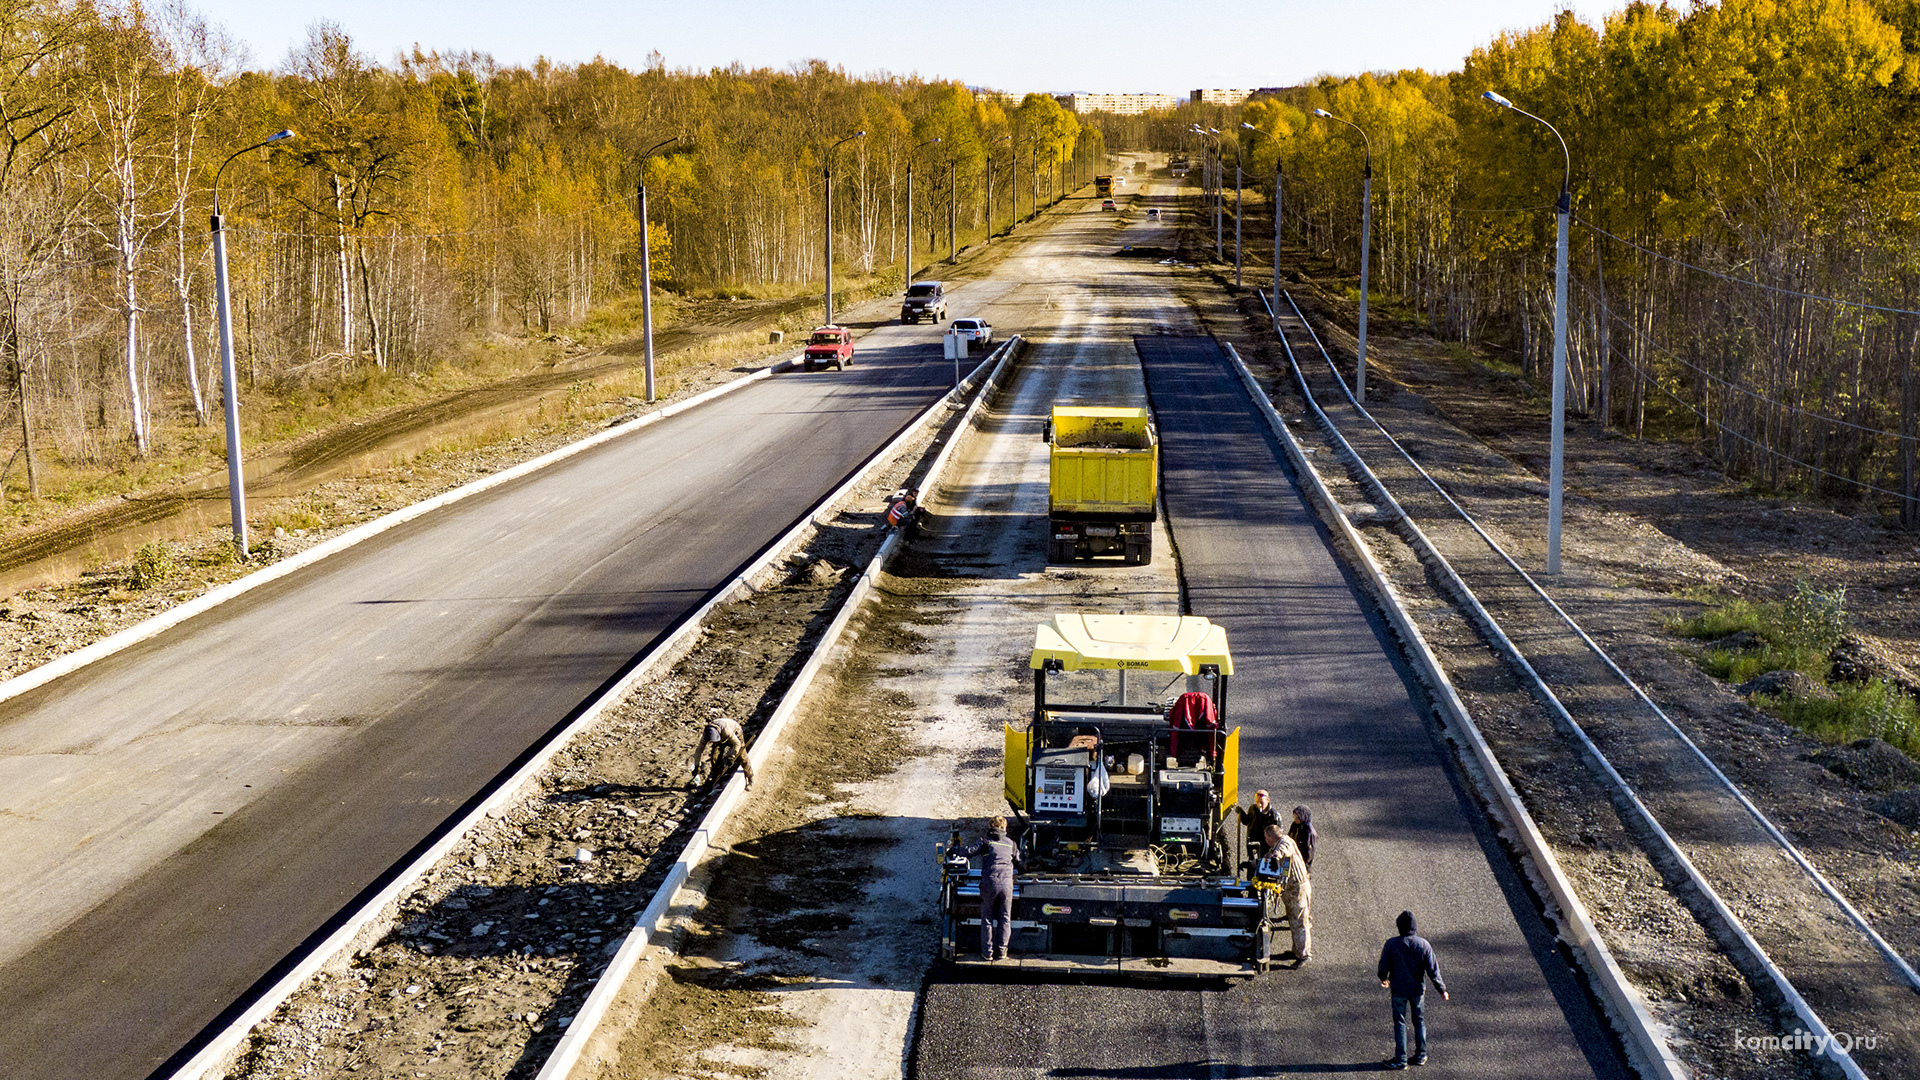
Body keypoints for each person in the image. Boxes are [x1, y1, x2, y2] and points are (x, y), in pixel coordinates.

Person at [1377, 910, 1448, 1069]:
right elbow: (1433, 970)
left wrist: (1384, 978)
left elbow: (1383, 967)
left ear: (1399, 926)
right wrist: (1442, 990)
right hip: (1417, 990)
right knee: (1419, 1021)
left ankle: (1400, 1060)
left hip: (1399, 990)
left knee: (1400, 1023)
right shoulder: (1423, 945)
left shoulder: (1391, 944)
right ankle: (1421, 1055)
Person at [958, 815, 1023, 960]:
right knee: (1005, 918)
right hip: (1007, 885)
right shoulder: (1011, 844)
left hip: (989, 884)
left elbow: (969, 852)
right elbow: (1020, 864)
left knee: (987, 918)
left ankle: (987, 953)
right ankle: (1002, 951)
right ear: (1004, 827)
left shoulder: (985, 842)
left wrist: (954, 850)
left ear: (991, 827)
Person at [1255, 824, 1311, 965]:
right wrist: (1252, 864)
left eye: (1266, 838)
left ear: (1271, 837)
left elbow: (1281, 852)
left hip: (1297, 889)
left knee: (1300, 923)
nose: (1265, 840)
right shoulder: (1276, 846)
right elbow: (1267, 859)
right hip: (1290, 890)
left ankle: (1303, 955)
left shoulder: (1285, 843)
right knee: (1293, 920)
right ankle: (1296, 950)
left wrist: (1275, 857)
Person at [689, 715, 755, 789]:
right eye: (710, 741)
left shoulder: (727, 731)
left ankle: (750, 778)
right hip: (720, 737)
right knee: (714, 757)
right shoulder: (706, 734)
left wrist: (732, 756)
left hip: (735, 734)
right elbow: (699, 751)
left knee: (742, 756)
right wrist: (697, 766)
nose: (711, 743)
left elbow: (737, 743)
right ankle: (718, 778)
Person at [1236, 789, 1281, 868]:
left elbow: (1278, 835)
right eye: (1257, 802)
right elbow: (1247, 821)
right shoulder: (1252, 809)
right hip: (1253, 843)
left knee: (1263, 866)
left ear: (1268, 800)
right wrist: (1241, 813)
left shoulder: (1274, 816)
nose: (1259, 805)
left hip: (1266, 846)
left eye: (1261, 802)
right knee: (1251, 865)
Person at [1289, 805, 1317, 870]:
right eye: (1294, 817)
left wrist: (1300, 862)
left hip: (1302, 864)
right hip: (1292, 858)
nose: (1295, 819)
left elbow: (1309, 854)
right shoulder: (1295, 825)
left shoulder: (1310, 832)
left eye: (1297, 817)